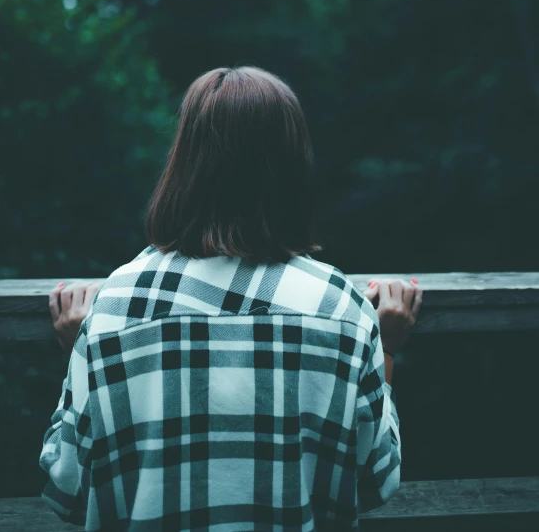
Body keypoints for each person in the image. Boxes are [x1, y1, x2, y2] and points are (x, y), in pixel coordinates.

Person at [39, 66, 422, 532]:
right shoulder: (339, 306)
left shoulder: (116, 304)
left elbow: (69, 487)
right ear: (293, 167)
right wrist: (386, 351)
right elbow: (375, 479)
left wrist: (81, 352)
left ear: (184, 160)